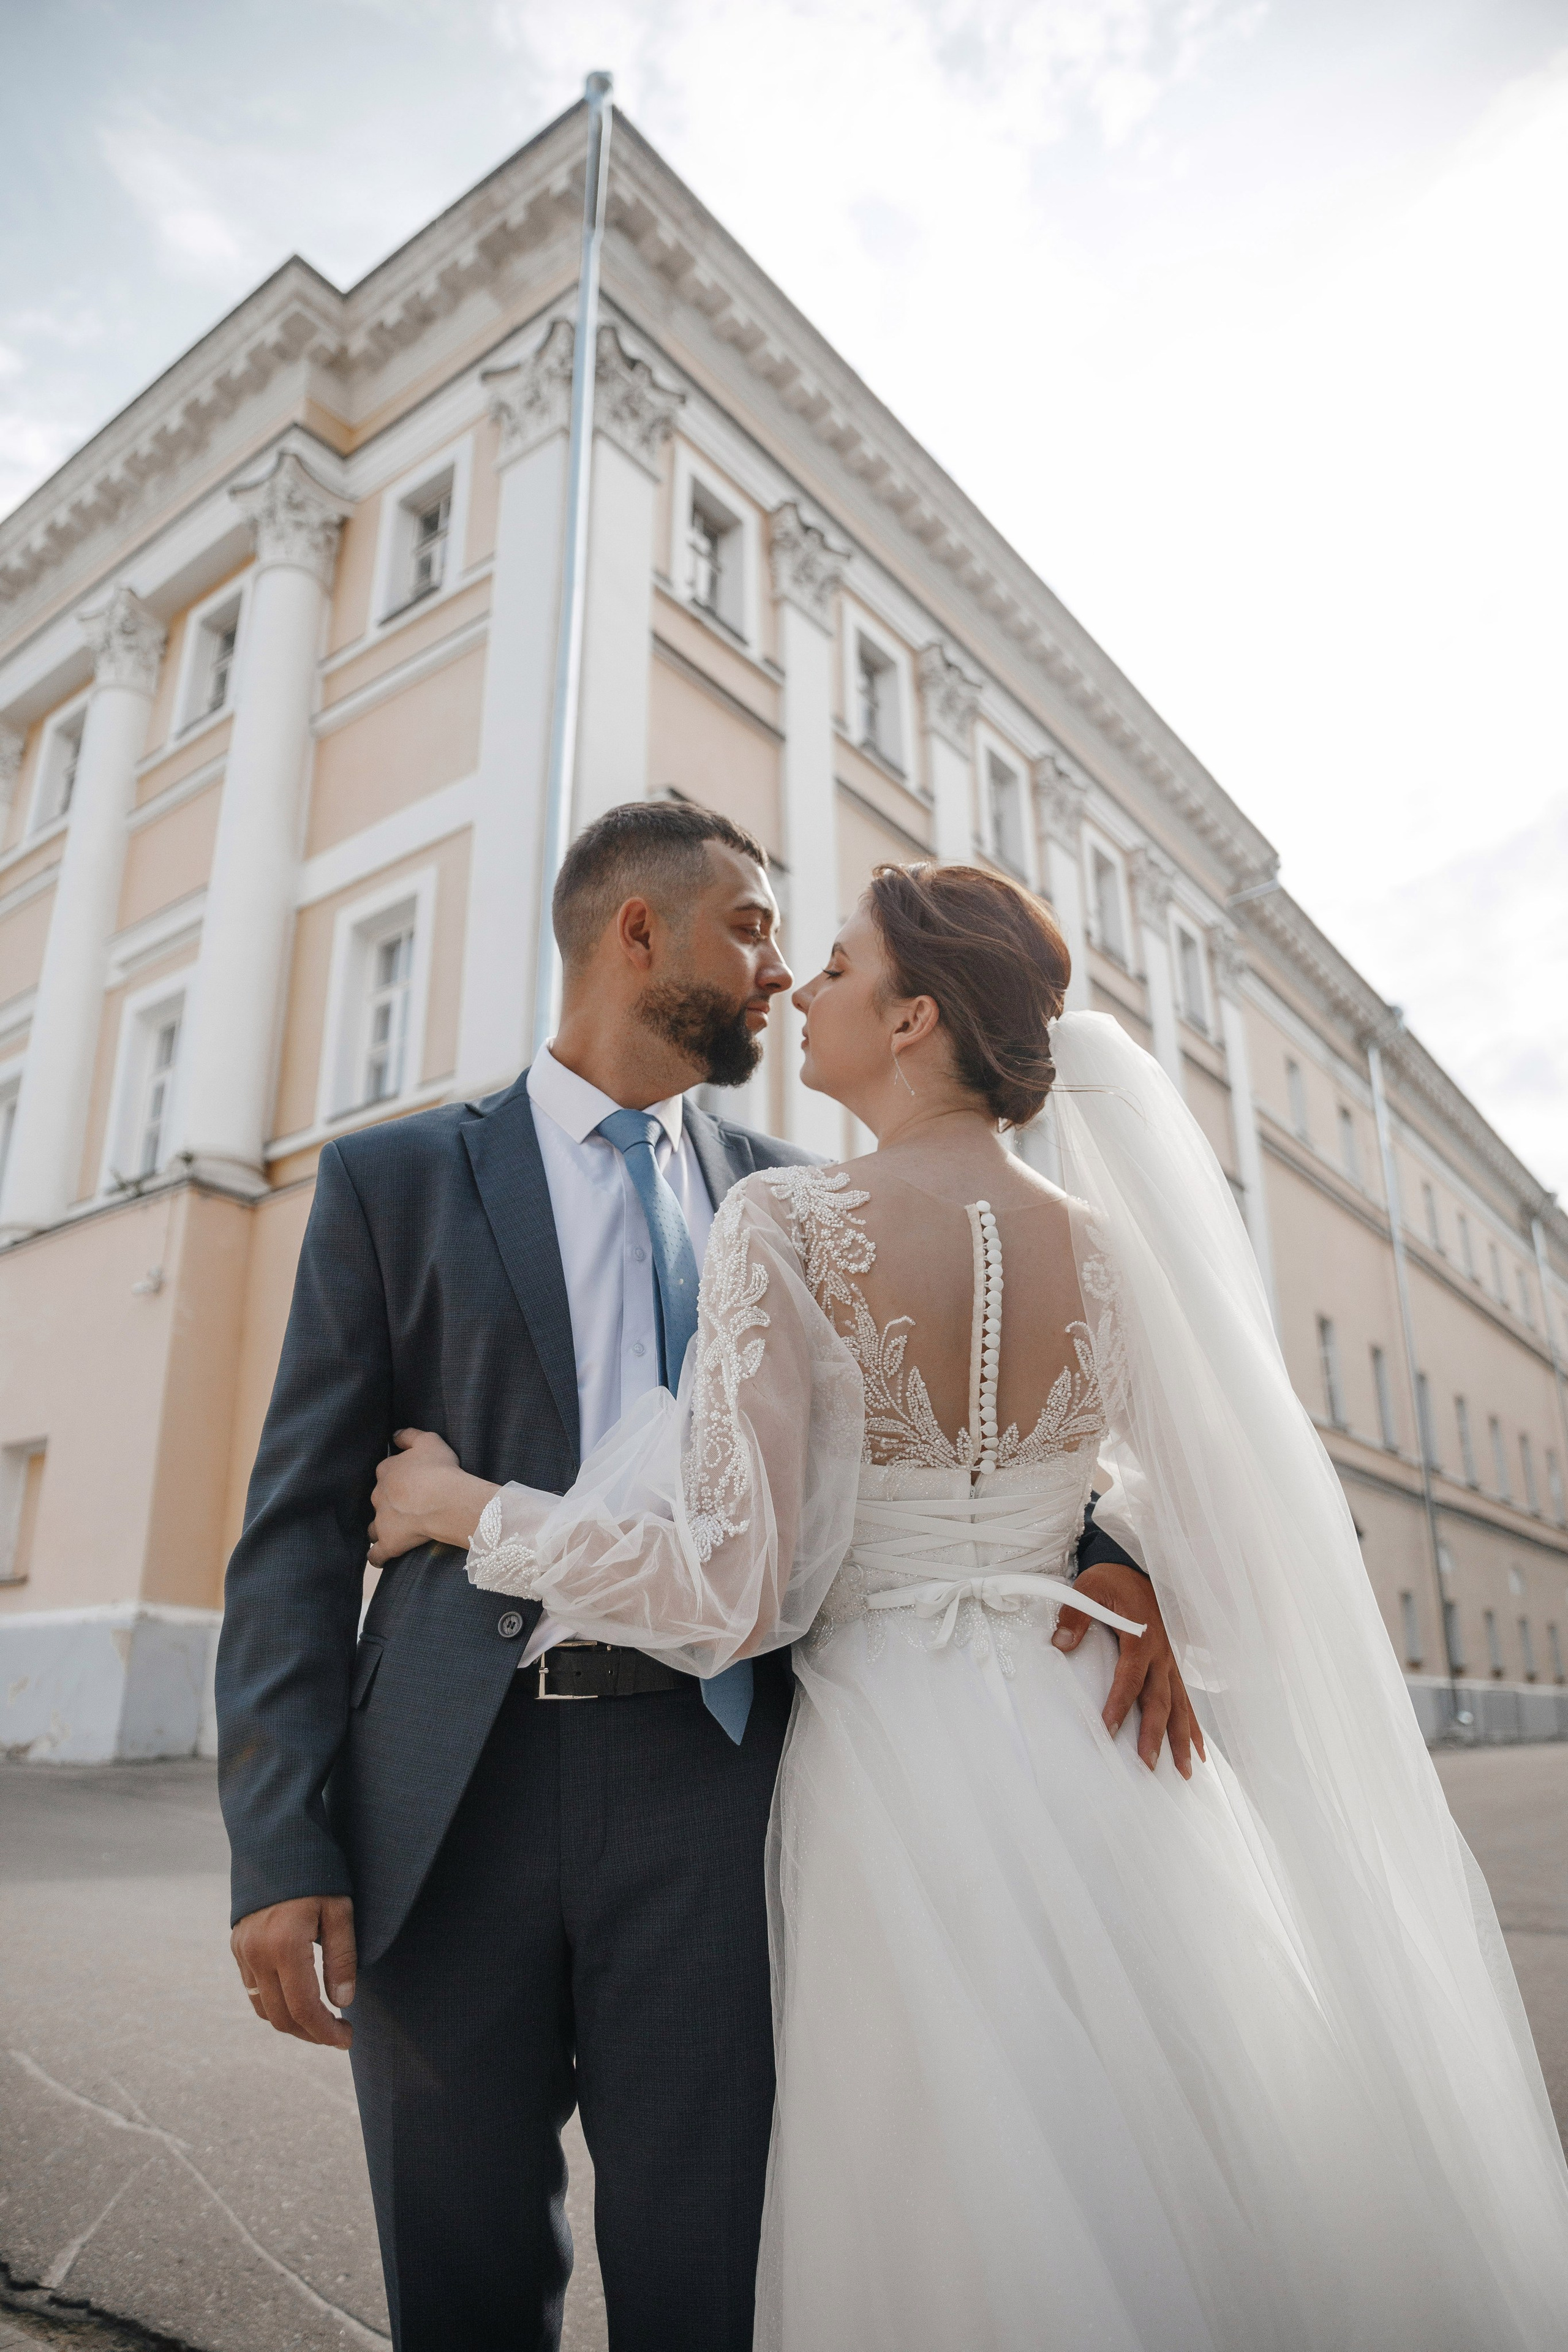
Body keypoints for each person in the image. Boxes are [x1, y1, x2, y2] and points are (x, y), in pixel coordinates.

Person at [376, 860, 1568, 2351]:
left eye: (834, 968)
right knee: (1165, 2151)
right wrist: (1116, 1565)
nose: (798, 992)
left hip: (891, 1766)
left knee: (948, 2185)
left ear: (916, 1015)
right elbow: (1223, 1533)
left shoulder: (785, 1224)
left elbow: (732, 1593)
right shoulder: (1114, 1252)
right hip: (1099, 1754)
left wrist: (469, 1513)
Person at [217, 805, 1172, 2352]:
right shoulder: (393, 1179)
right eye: (749, 927)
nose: (781, 971)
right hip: (447, 1800)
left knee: (715, 2275)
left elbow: (963, 1422)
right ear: (636, 933)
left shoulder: (811, 1197)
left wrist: (1109, 1555)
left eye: (802, 943)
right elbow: (296, 1526)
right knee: (456, 2278)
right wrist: (278, 1838)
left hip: (727, 1790)